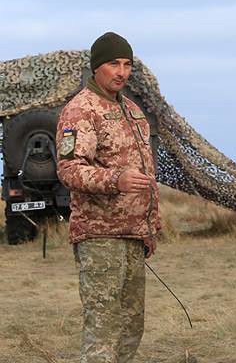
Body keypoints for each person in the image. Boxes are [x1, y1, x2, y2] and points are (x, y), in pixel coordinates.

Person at [56, 32, 159, 363]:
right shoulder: (80, 111)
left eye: (127, 65)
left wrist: (150, 226)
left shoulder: (133, 111)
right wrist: (116, 179)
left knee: (132, 326)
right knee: (103, 330)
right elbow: (69, 169)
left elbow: (146, 175)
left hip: (133, 235)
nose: (122, 72)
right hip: (100, 236)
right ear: (96, 67)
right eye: (114, 64)